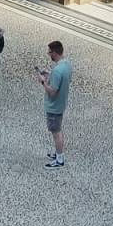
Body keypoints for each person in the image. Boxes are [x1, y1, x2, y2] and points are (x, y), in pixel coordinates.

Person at [38, 40, 72, 168]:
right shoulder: (67, 65)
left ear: (56, 53)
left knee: (56, 132)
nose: (48, 54)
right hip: (61, 103)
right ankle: (58, 153)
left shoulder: (57, 71)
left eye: (50, 52)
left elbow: (52, 92)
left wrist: (43, 82)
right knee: (57, 130)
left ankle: (59, 159)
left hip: (54, 106)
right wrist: (50, 75)